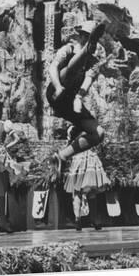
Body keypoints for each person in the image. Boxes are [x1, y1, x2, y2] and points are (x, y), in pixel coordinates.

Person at [46, 21, 106, 173]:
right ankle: (86, 52)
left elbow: (88, 81)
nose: (85, 38)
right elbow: (52, 67)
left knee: (98, 133)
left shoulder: (94, 63)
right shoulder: (68, 49)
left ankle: (61, 156)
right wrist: (58, 86)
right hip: (57, 90)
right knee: (72, 70)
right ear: (80, 36)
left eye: (90, 38)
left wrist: (79, 97)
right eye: (85, 36)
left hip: (71, 100)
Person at [64, 127, 110, 231]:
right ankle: (92, 220)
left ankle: (78, 219)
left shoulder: (73, 129)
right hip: (87, 158)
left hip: (80, 158)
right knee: (89, 191)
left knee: (78, 191)